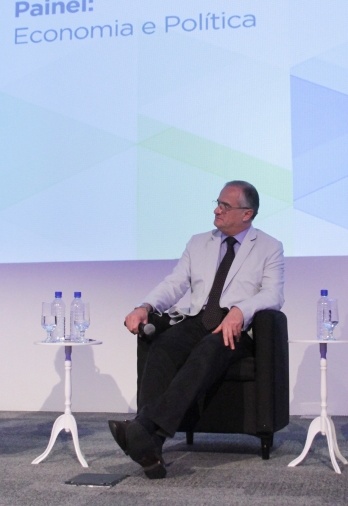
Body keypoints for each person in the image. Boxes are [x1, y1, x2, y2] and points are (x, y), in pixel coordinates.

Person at [108, 180, 284, 479]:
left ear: (247, 214)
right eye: (218, 203)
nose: (217, 210)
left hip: (233, 330)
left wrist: (241, 311)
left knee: (208, 348)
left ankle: (145, 430)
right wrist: (145, 306)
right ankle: (150, 447)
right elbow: (175, 283)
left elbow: (273, 294)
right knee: (162, 346)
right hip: (197, 320)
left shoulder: (269, 247)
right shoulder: (198, 242)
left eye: (225, 206)